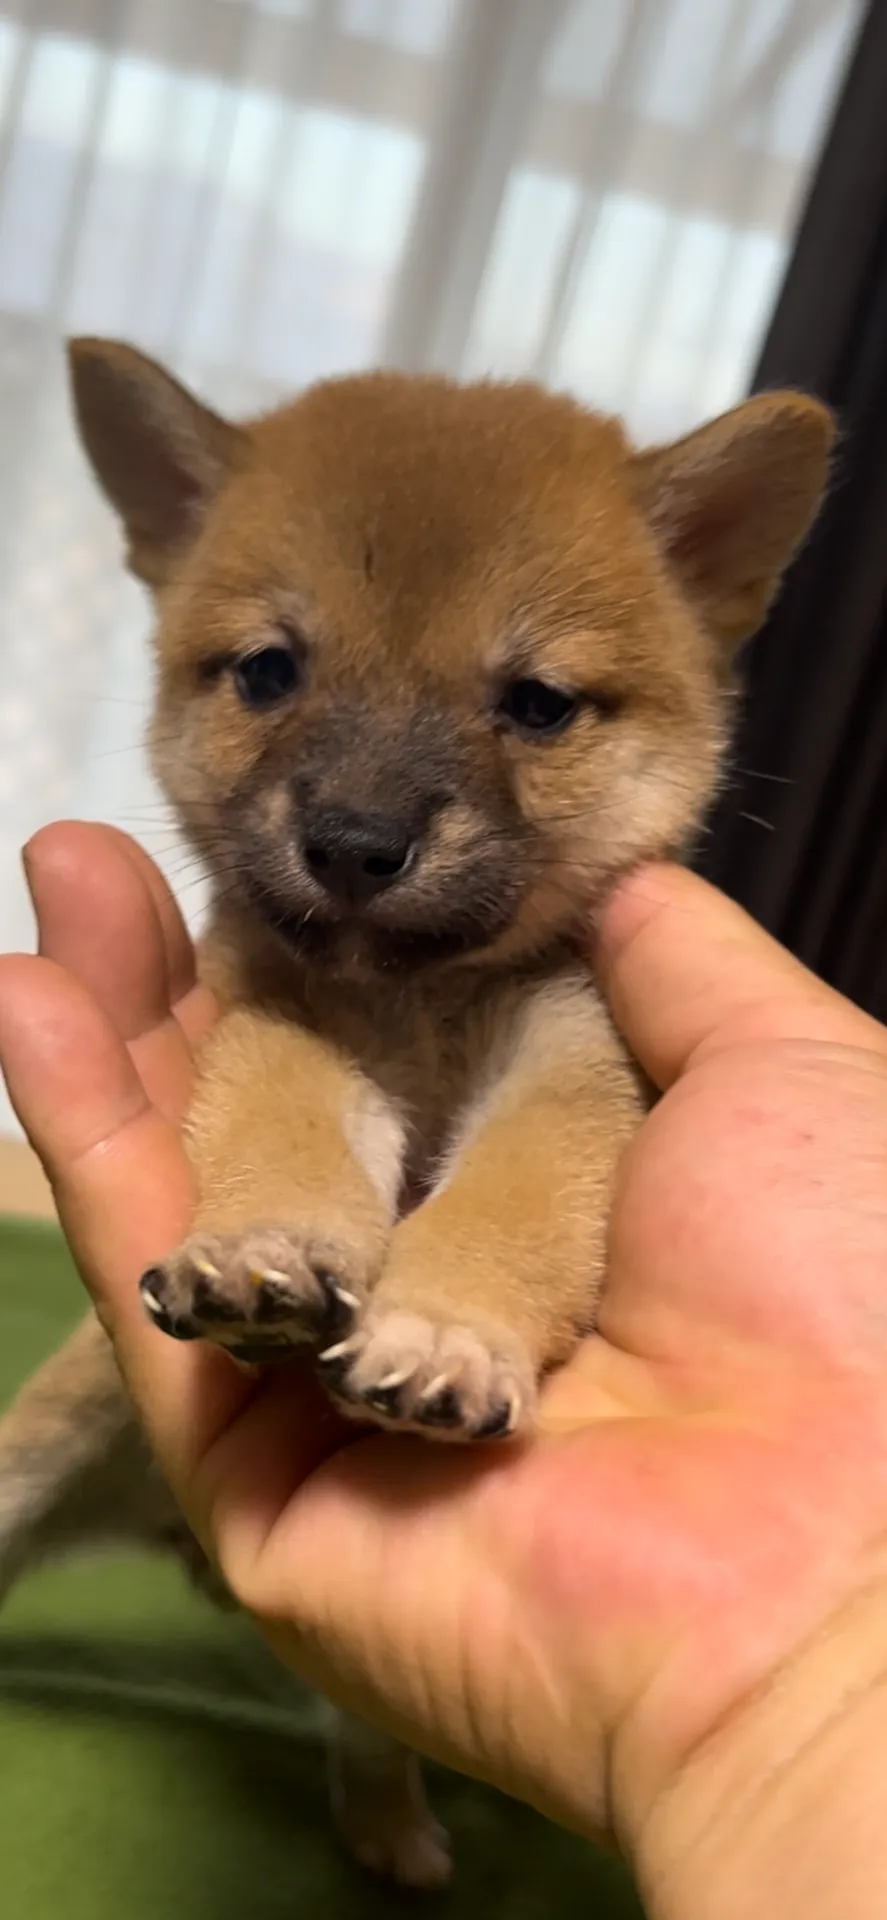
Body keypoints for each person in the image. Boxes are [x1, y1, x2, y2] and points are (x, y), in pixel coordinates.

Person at [2, 821, 887, 1918]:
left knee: (398, 1538)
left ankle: (375, 1774)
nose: (360, 814)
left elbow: (564, 1130)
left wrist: (818, 1669)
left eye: (533, 704)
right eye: (274, 677)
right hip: (249, 1322)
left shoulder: (598, 959)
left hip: (541, 1438)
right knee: (45, 1448)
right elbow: (279, 1068)